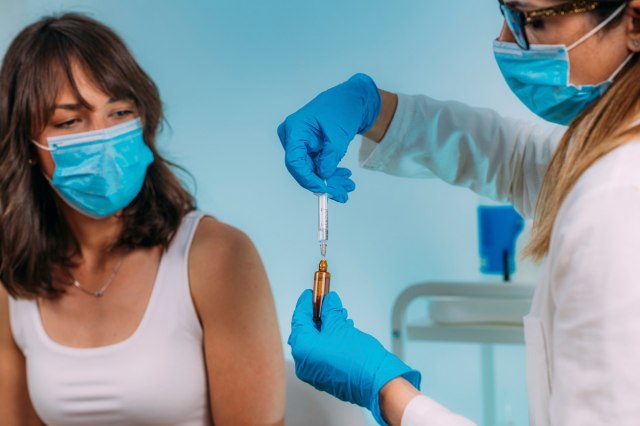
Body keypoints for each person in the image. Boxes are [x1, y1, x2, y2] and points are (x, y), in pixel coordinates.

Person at [281, 1, 640, 425]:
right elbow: (521, 159)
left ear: (635, 23)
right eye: (504, 12)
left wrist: (387, 392)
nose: (504, 41)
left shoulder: (618, 200)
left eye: (532, 20)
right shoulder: (614, 157)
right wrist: (375, 111)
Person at [0, 13, 285, 425]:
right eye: (70, 121)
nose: (102, 135)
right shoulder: (16, 281)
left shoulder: (217, 256)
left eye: (119, 112)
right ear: (27, 147)